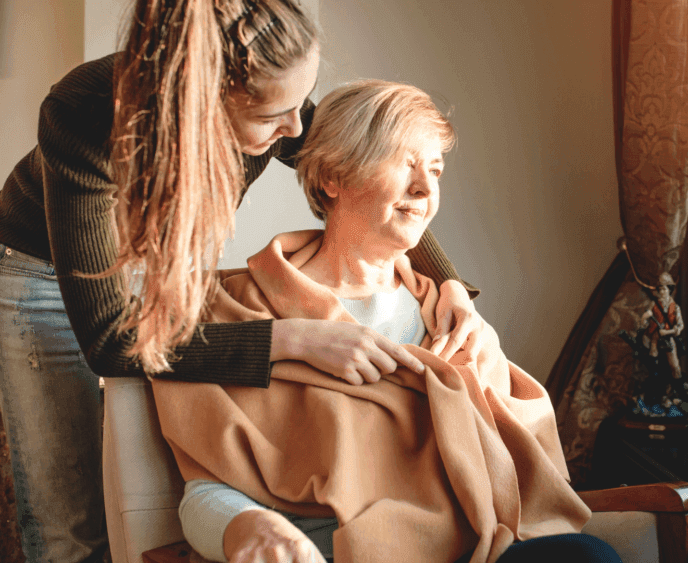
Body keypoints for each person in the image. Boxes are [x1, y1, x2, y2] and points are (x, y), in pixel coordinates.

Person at [0, 2, 482, 561]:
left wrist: (445, 281)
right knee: (71, 521)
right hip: (39, 272)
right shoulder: (84, 113)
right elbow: (112, 343)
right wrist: (296, 337)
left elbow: (357, 168)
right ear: (201, 99)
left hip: (154, 265)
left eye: (299, 104)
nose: (295, 130)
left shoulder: (273, 99)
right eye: (275, 117)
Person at [152, 80, 621, 563]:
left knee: (588, 557)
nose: (425, 188)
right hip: (335, 550)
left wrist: (483, 359)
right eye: (405, 163)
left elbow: (516, 469)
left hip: (472, 546)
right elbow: (206, 490)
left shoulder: (449, 318)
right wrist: (247, 526)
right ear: (333, 177)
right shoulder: (243, 310)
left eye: (435, 170)